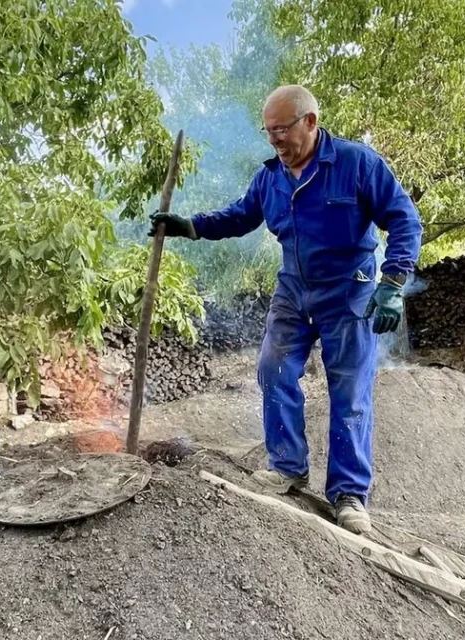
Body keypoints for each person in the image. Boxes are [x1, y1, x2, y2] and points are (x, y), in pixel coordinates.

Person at [149, 85, 423, 534]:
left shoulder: (357, 164)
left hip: (347, 292)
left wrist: (392, 283)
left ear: (310, 122)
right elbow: (240, 215)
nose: (274, 141)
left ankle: (349, 493)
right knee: (273, 369)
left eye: (282, 130)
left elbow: (404, 219)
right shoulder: (270, 177)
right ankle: (287, 467)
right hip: (294, 290)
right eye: (268, 132)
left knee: (350, 392)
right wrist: (190, 226)